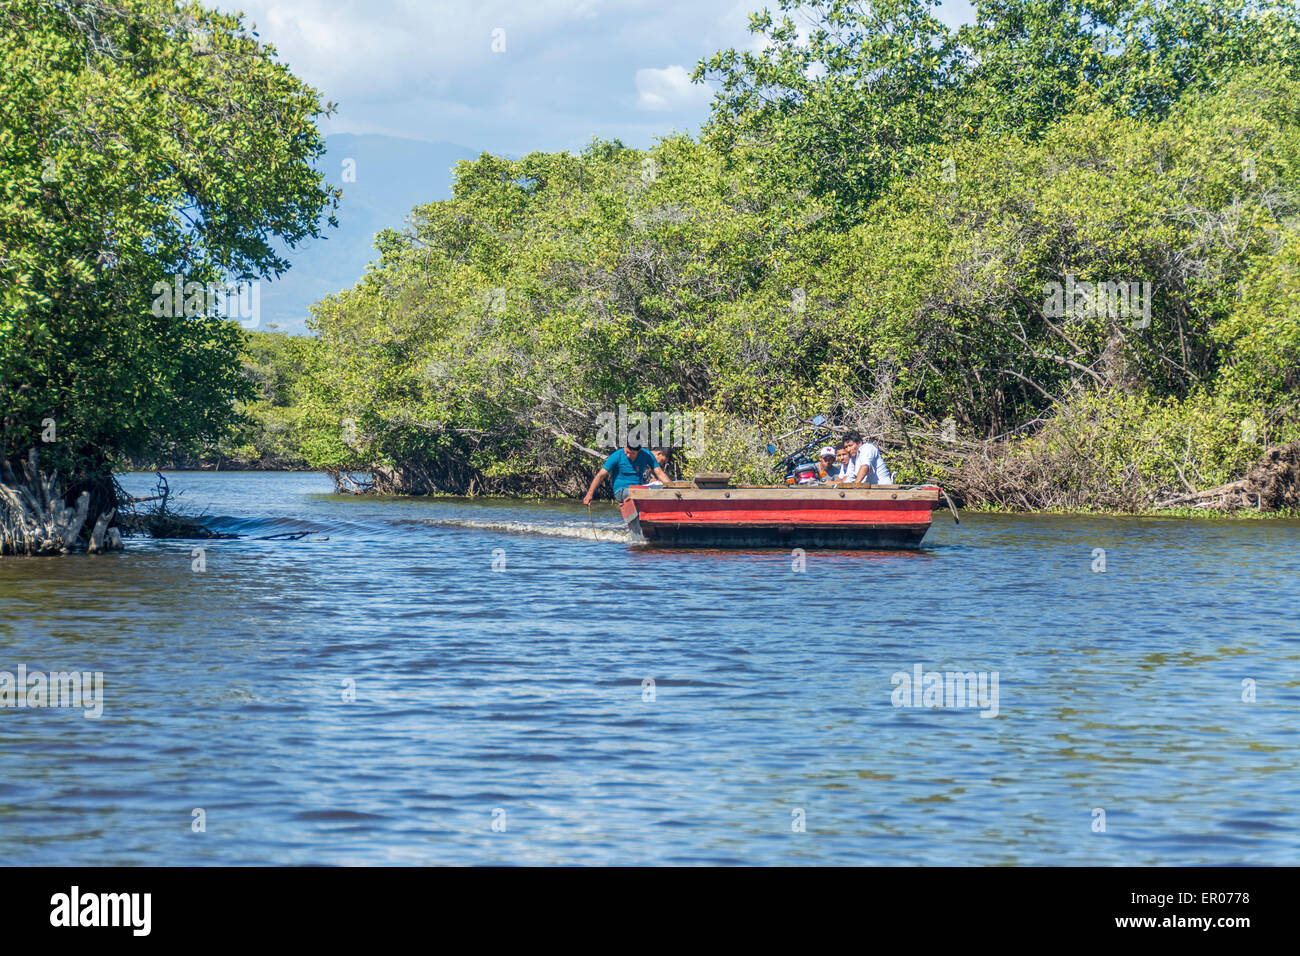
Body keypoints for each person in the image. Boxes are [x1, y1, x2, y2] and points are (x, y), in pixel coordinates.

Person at [583, 438, 669, 505]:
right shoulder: (617, 456)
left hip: (639, 490)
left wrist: (673, 488)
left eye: (632, 453)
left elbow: (659, 473)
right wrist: (590, 494)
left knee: (660, 486)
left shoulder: (647, 455)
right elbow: (601, 475)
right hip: (622, 491)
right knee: (640, 491)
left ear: (639, 451)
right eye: (627, 452)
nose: (628, 455)